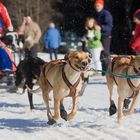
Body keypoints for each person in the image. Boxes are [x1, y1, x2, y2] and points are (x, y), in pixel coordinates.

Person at [94, 0, 113, 75]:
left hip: (105, 36)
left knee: (105, 53)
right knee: (101, 53)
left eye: (98, 6)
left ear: (102, 5)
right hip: (99, 36)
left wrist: (101, 27)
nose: (96, 7)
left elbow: (109, 26)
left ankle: (109, 71)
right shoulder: (98, 14)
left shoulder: (106, 14)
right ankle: (103, 71)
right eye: (95, 6)